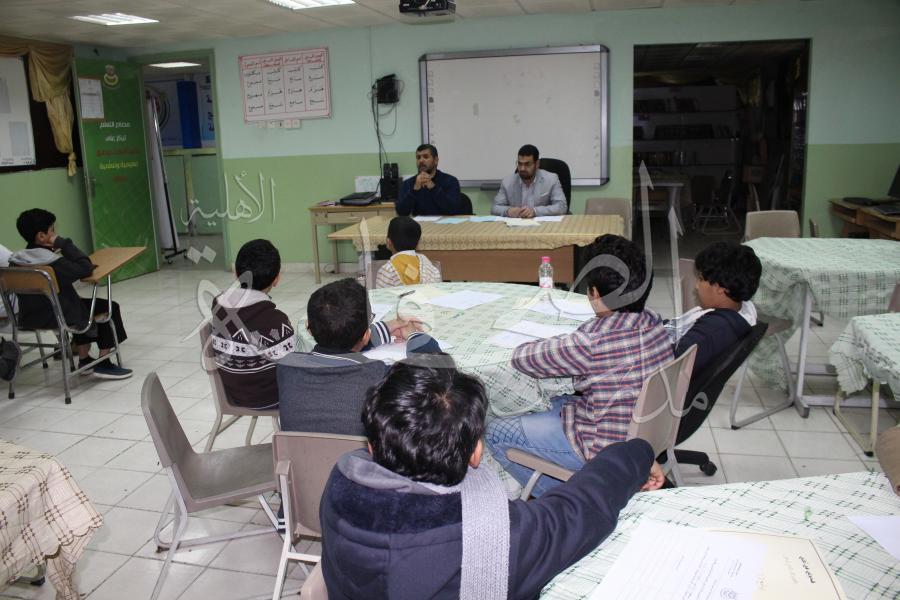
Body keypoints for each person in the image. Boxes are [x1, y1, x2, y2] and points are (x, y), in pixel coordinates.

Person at [319, 361, 664, 599]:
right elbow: (578, 510)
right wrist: (636, 452)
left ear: (372, 446)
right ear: (476, 453)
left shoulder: (339, 486)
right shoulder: (493, 538)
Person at [485, 234, 672, 496]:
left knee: (495, 431)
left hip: (605, 449)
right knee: (552, 401)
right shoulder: (654, 322)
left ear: (594, 293)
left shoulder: (591, 343)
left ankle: (576, 500)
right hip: (645, 435)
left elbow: (522, 358)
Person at [277, 277, 439, 435]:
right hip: (364, 454)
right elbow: (433, 367)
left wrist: (388, 327)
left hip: (300, 453)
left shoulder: (286, 367)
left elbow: (343, 342)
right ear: (366, 335)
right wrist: (414, 335)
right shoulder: (381, 377)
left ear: (309, 329)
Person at [10, 209, 131, 379]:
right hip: (59, 317)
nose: (55, 234)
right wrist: (63, 243)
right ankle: (103, 363)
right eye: (52, 230)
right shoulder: (51, 264)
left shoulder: (17, 261)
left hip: (29, 317)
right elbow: (85, 267)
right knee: (108, 307)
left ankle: (84, 360)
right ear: (42, 236)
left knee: (76, 302)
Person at [209, 239, 294, 410]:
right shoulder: (274, 321)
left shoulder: (218, 305)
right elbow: (293, 365)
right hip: (269, 398)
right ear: (276, 279)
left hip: (231, 393)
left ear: (236, 273)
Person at [669, 241, 761, 377]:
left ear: (721, 288)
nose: (696, 286)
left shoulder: (711, 332)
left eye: (701, 279)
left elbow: (671, 366)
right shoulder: (741, 309)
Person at [491, 144, 567, 218]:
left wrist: (535, 211)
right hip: (516, 225)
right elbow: (495, 208)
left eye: (527, 164)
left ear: (537, 164)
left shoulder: (551, 179)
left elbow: (561, 206)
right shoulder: (507, 182)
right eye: (520, 164)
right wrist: (508, 211)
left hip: (543, 225)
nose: (522, 168)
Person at [395, 144, 462, 216]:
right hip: (419, 223)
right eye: (418, 157)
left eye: (426, 157)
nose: (421, 160)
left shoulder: (450, 181)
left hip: (444, 222)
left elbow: (453, 210)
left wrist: (433, 188)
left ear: (436, 160)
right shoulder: (408, 183)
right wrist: (414, 191)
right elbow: (401, 213)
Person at [375, 216, 442, 288]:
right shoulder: (425, 261)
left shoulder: (388, 269)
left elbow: (379, 294)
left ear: (389, 242)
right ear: (418, 243)